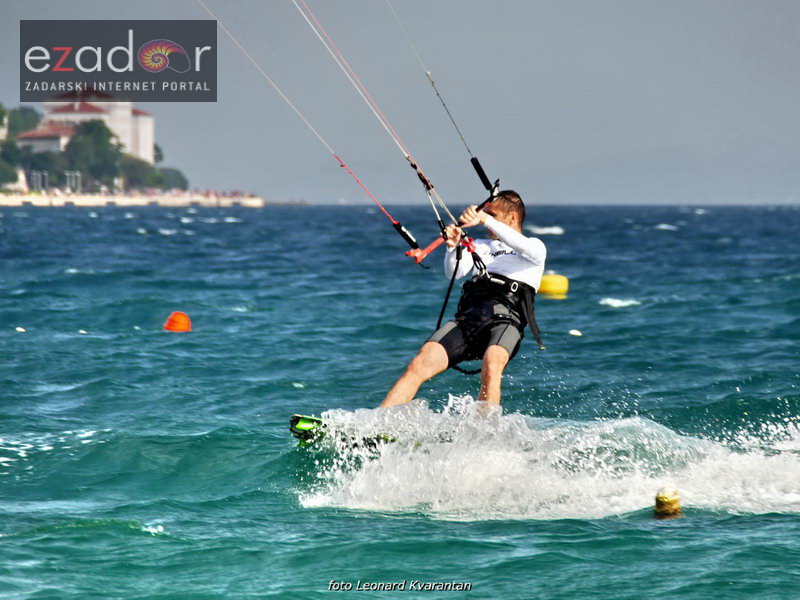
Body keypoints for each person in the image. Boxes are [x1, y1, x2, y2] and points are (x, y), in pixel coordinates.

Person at [380, 190, 546, 408]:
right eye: (487, 216)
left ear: (512, 217)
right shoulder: (479, 245)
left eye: (493, 216)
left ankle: (486, 430)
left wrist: (483, 217)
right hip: (470, 319)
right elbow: (454, 272)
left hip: (505, 321)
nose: (486, 223)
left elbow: (520, 244)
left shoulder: (534, 247)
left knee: (493, 362)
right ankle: (378, 423)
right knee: (420, 362)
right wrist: (452, 247)